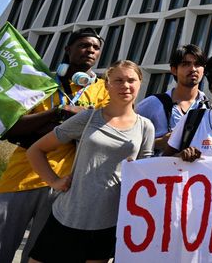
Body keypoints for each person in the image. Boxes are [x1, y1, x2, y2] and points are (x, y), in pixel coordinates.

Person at [26, 60, 154, 262]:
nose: (125, 86)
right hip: (66, 215)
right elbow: (36, 150)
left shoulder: (146, 127)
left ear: (140, 83)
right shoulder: (88, 117)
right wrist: (54, 181)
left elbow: (143, 175)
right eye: (118, 80)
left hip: (108, 222)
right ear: (106, 84)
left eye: (131, 80)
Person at [0, 28, 109, 263]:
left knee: (39, 256)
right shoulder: (42, 84)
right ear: (68, 50)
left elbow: (100, 131)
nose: (90, 50)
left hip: (63, 184)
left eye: (95, 47)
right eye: (83, 45)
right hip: (19, 178)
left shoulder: (104, 90)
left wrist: (47, 129)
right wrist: (58, 113)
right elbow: (14, 128)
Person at [136, 44, 209, 154]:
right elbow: (128, 140)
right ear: (174, 70)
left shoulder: (208, 107)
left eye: (198, 64)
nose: (193, 69)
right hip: (159, 170)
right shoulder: (152, 104)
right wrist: (160, 142)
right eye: (186, 64)